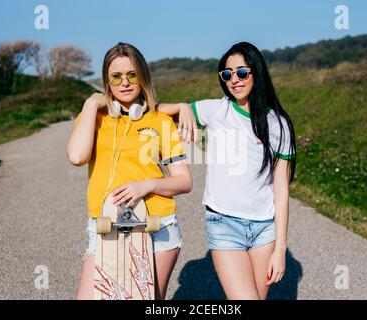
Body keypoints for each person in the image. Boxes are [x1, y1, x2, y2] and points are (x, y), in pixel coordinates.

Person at [158, 42, 297, 300]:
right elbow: (154, 112)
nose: (234, 80)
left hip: (265, 229)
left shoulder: (279, 124)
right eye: (227, 74)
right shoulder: (215, 110)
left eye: (242, 72)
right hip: (224, 225)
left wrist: (280, 248)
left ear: (257, 72)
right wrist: (182, 106)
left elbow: (281, 190)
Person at [66, 42, 192, 300]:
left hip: (156, 227)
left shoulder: (160, 121)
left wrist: (147, 185)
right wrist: (91, 104)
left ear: (143, 76)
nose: (125, 83)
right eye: (116, 76)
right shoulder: (94, 117)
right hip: (105, 225)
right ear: (107, 81)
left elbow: (184, 181)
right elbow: (77, 157)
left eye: (132, 75)